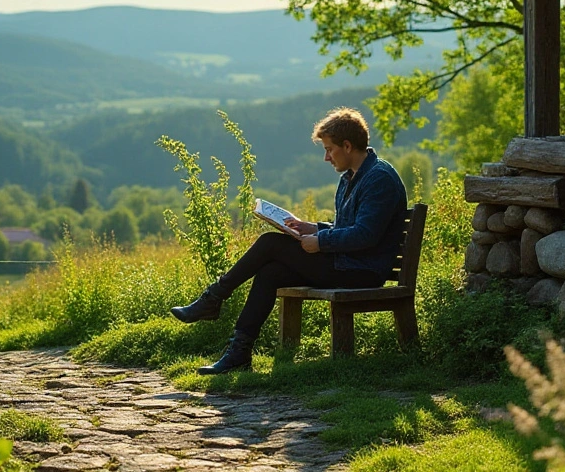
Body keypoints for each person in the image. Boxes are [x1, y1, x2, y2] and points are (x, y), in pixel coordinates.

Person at [170, 107, 408, 374]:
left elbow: (366, 234)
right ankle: (239, 352)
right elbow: (348, 227)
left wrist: (320, 241)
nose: (326, 157)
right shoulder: (351, 177)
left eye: (329, 149)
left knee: (271, 243)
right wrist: (312, 228)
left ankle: (213, 298)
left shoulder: (379, 179)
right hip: (347, 262)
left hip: (362, 271)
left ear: (348, 146)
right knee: (271, 272)